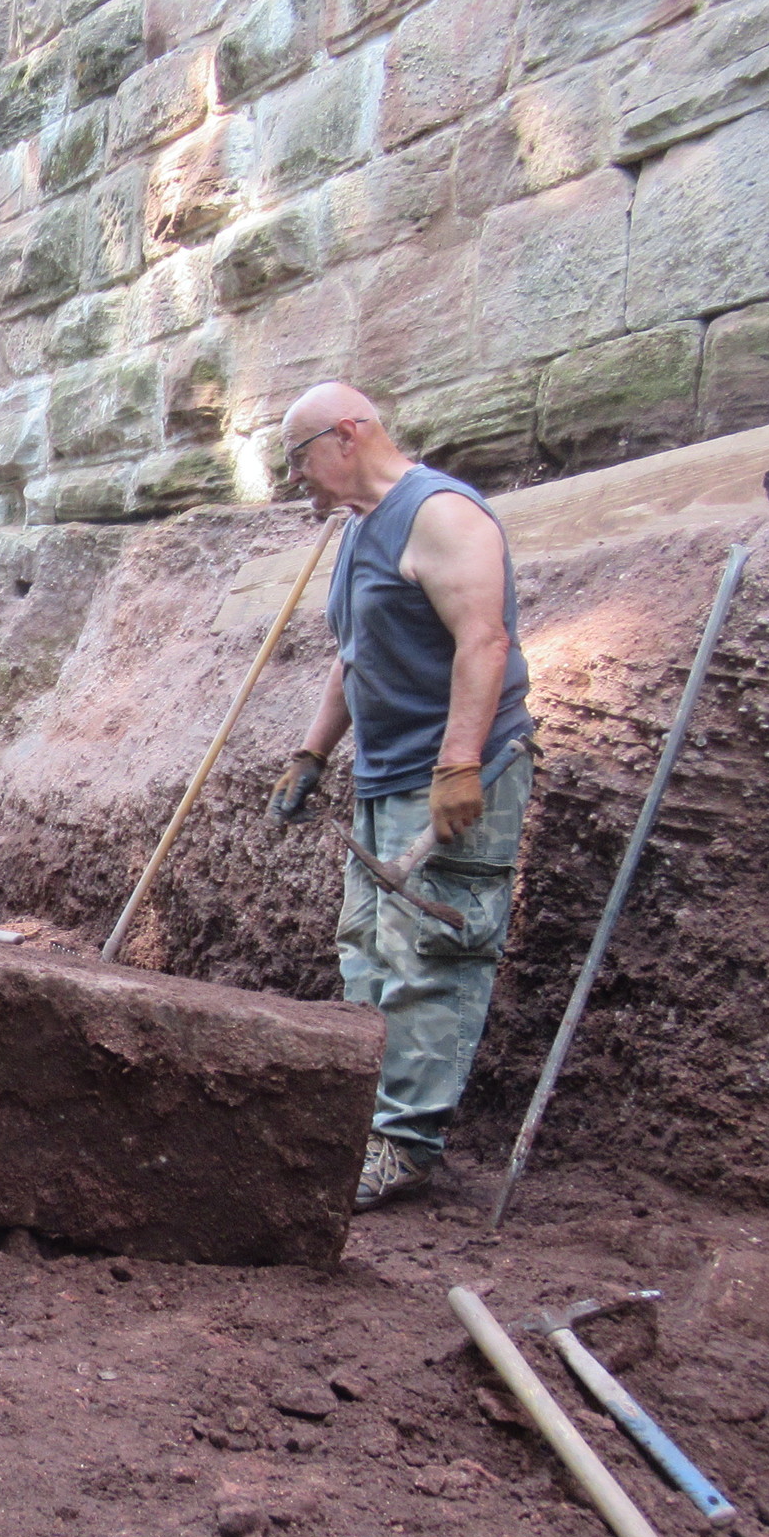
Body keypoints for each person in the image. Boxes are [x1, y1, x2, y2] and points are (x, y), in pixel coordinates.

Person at [267, 382, 536, 1209]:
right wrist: (313, 752)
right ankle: (361, 1122)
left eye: (298, 458)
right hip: (385, 777)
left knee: (430, 957)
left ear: (347, 436)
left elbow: (483, 640)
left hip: (452, 779)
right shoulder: (358, 530)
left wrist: (458, 765)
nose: (294, 479)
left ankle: (405, 1146)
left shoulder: (442, 515)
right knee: (367, 949)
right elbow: (355, 654)